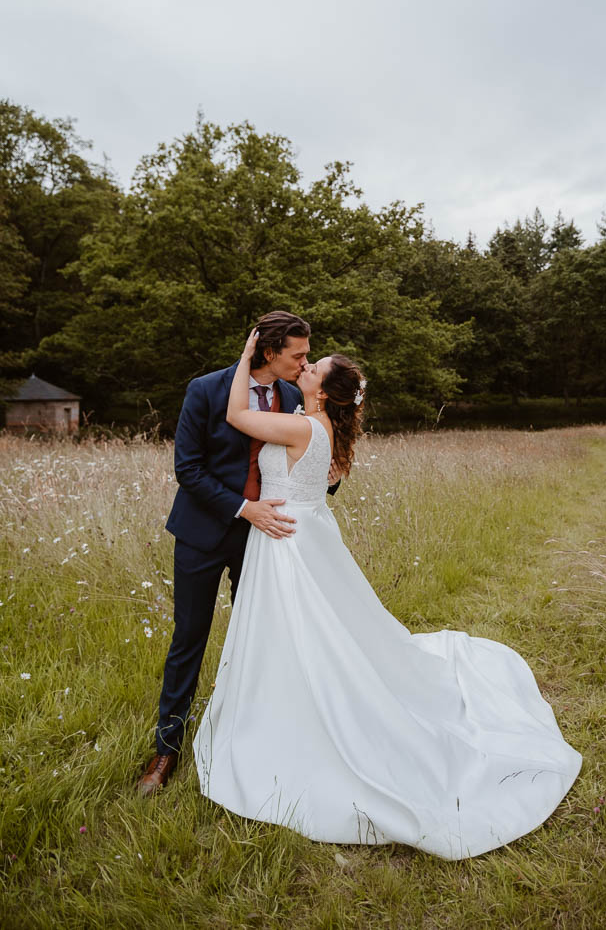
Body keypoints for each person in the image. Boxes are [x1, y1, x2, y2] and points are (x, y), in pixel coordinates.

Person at [189, 328, 581, 859]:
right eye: (304, 360)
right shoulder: (316, 423)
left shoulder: (304, 426)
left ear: (322, 391)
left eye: (314, 368)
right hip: (299, 535)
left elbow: (237, 416)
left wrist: (244, 354)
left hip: (288, 542)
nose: (305, 368)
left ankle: (300, 723)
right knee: (311, 632)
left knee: (305, 632)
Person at [138, 310, 314, 795]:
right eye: (297, 354)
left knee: (260, 638)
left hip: (264, 540)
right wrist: (244, 508)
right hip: (202, 533)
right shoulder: (206, 390)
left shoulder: (295, 395)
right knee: (189, 638)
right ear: (269, 351)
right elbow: (187, 469)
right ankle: (166, 751)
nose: (305, 362)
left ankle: (255, 738)